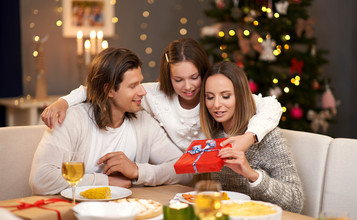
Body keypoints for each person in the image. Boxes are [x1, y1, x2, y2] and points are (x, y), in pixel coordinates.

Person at [41, 38, 283, 155]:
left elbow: (272, 105)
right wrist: (64, 101)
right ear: (168, 77)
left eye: (194, 77)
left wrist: (249, 137)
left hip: (213, 174)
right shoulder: (152, 94)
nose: (188, 87)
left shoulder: (213, 96)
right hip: (175, 175)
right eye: (178, 80)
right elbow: (102, 87)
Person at [29, 48, 192, 195]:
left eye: (140, 83)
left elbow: (184, 170)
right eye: (133, 86)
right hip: (76, 215)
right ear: (109, 90)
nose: (142, 91)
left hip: (127, 215)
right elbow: (41, 179)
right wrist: (106, 182)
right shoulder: (71, 119)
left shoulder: (143, 121)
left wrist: (137, 171)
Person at [199, 61, 304, 213]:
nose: (216, 104)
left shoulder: (268, 136)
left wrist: (252, 175)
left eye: (226, 96)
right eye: (209, 97)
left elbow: (296, 202)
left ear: (241, 96)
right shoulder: (212, 134)